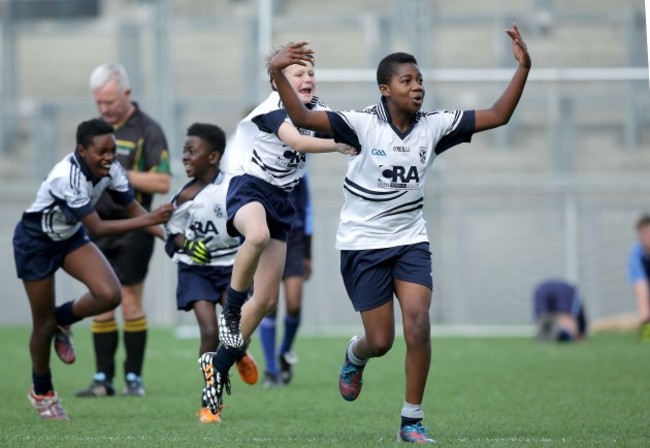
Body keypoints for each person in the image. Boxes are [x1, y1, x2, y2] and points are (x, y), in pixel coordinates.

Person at [268, 24, 530, 444]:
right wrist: (278, 72)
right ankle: (356, 355)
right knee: (381, 340)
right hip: (362, 245)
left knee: (418, 324)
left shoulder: (434, 126)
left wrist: (523, 69)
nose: (417, 87)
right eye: (406, 81)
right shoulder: (359, 124)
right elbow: (300, 118)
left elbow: (498, 116)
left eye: (420, 79)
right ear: (385, 90)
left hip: (410, 240)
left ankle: (412, 420)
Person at [198, 47, 357, 416]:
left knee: (269, 300)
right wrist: (339, 144)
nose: (307, 79)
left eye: (310, 73)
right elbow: (299, 142)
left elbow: (348, 123)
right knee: (254, 236)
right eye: (297, 73)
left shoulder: (317, 108)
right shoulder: (272, 109)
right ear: (277, 82)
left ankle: (218, 368)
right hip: (249, 188)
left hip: (282, 202)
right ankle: (231, 315)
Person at [12, 119, 174, 420]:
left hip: (69, 236)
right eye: (102, 151)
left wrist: (170, 237)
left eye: (112, 151)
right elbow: (98, 226)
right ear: (82, 150)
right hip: (36, 243)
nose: (109, 157)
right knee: (41, 325)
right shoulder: (66, 177)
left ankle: (61, 320)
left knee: (109, 294)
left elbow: (132, 208)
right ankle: (42, 391)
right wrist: (151, 220)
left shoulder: (112, 169)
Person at [76, 63, 172, 398]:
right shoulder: (92, 131)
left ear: (126, 94)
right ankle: (103, 378)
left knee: (130, 302)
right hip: (95, 227)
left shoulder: (147, 129)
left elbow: (162, 180)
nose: (104, 109)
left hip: (134, 228)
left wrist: (116, 172)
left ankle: (133, 378)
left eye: (110, 102)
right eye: (99, 103)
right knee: (101, 301)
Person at [164, 122, 259, 423]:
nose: (186, 157)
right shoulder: (183, 196)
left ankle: (239, 352)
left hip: (232, 266)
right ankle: (210, 402)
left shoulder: (234, 186)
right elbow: (171, 234)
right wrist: (189, 245)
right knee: (209, 331)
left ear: (214, 156)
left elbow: (251, 223)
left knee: (236, 332)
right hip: (196, 270)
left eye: (192, 151)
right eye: (184, 151)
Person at [259, 172, 313, 387]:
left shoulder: (300, 172)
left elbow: (308, 210)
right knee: (269, 303)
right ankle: (271, 370)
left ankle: (284, 352)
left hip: (295, 239)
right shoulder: (260, 169)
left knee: (294, 304)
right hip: (269, 238)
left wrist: (308, 254)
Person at [627, 214, 650, 342]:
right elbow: (638, 281)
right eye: (643, 232)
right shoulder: (636, 254)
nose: (647, 236)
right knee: (643, 293)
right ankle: (647, 333)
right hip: (646, 285)